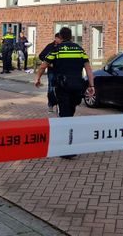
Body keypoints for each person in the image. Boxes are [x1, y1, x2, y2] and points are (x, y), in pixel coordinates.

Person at [34, 27, 94, 159]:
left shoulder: (57, 49)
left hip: (62, 87)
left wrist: (37, 78)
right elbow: (88, 69)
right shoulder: (79, 49)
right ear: (71, 36)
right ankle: (66, 145)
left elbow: (43, 65)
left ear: (60, 36)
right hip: (77, 87)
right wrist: (91, 85)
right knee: (69, 113)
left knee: (65, 115)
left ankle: (65, 147)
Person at [38, 33, 62, 113]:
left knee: (60, 88)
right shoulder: (50, 46)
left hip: (60, 70)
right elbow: (41, 55)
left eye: (61, 39)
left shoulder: (62, 47)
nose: (60, 40)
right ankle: (50, 105)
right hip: (51, 71)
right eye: (59, 39)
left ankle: (59, 105)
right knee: (51, 88)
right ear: (56, 38)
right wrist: (48, 62)